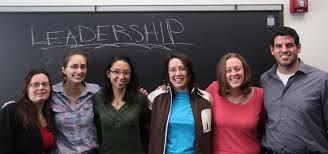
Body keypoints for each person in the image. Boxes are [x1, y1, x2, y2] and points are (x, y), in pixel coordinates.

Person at [260, 26, 328, 153]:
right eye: (279, 46)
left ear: (299, 47)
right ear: (272, 50)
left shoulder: (321, 80)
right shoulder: (265, 79)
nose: (284, 50)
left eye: (289, 45)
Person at [147, 53, 212, 154]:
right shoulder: (156, 98)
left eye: (182, 69)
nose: (178, 73)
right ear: (168, 74)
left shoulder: (205, 99)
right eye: (173, 70)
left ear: (189, 72)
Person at [206, 52, 266, 154]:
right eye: (228, 71)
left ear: (244, 71)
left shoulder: (260, 95)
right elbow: (193, 103)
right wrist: (169, 91)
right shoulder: (214, 89)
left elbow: (266, 127)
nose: (234, 74)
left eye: (237, 69)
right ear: (223, 74)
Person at [93, 56, 150, 154]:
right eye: (116, 72)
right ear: (108, 73)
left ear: (131, 75)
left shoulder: (140, 98)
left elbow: (146, 129)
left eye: (126, 73)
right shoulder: (98, 99)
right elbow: (97, 130)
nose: (121, 76)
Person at [51, 51, 100, 154]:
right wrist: (12, 107)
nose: (79, 71)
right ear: (63, 69)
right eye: (74, 66)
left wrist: (138, 93)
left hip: (91, 151)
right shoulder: (52, 94)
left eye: (83, 67)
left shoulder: (95, 91)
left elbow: (115, 99)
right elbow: (34, 106)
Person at [0, 69, 55, 154]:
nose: (41, 87)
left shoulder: (50, 115)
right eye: (35, 84)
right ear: (27, 89)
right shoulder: (11, 111)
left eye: (45, 84)